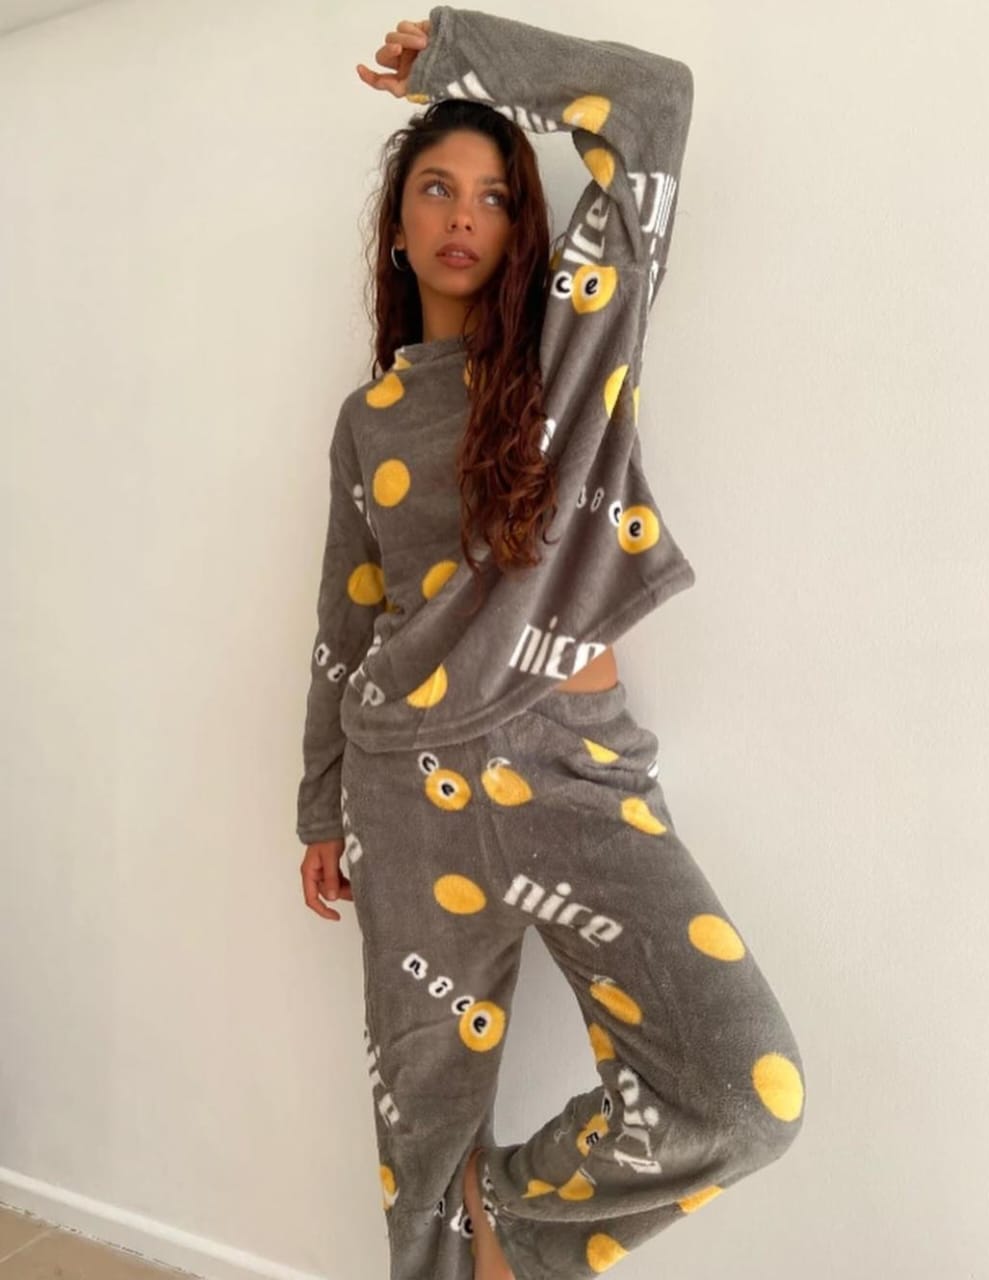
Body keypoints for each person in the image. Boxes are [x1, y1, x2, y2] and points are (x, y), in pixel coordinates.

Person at [296, 9, 806, 1278]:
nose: (461, 215)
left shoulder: (574, 342)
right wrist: (318, 803)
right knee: (417, 1143)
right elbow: (346, 612)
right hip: (404, 790)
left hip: (571, 770)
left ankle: (509, 1221)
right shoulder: (368, 417)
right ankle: (448, 1229)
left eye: (492, 195)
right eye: (434, 187)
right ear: (396, 223)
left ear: (524, 225)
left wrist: (462, 57)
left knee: (745, 1087)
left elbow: (653, 106)